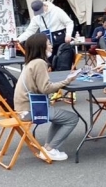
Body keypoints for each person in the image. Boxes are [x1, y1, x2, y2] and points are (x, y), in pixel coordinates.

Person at [14, 33, 79, 161]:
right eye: (49, 43)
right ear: (42, 47)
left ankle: (48, 147)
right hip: (31, 110)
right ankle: (50, 149)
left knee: (61, 118)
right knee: (72, 118)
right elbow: (46, 88)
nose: (51, 46)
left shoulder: (31, 62)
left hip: (23, 107)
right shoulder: (39, 63)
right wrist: (67, 81)